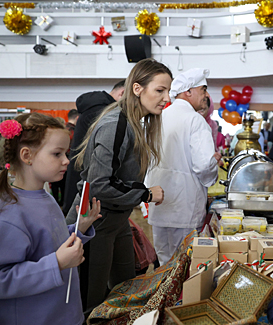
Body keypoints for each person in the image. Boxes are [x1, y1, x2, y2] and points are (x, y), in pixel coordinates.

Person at [65, 59, 169, 317]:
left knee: (127, 292)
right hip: (95, 220)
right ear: (137, 89)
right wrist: (145, 194)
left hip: (117, 219)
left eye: (168, 91)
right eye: (160, 90)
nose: (166, 98)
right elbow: (100, 183)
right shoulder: (117, 123)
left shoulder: (134, 123)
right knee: (91, 300)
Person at [0, 114, 101, 325]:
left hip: (63, 314)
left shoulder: (46, 198)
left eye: (66, 153)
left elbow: (47, 243)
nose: (66, 161)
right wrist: (58, 263)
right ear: (27, 155)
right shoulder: (8, 213)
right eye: (56, 154)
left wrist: (79, 229)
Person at [145, 68, 222, 265]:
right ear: (188, 91)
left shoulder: (157, 116)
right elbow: (203, 165)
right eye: (203, 90)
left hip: (159, 203)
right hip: (185, 206)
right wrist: (214, 163)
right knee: (184, 264)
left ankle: (163, 295)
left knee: (164, 261)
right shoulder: (195, 120)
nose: (206, 95)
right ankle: (181, 297)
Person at [63, 80, 125, 214]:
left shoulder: (94, 108)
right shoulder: (103, 112)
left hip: (82, 174)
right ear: (123, 93)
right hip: (88, 178)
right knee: (80, 225)